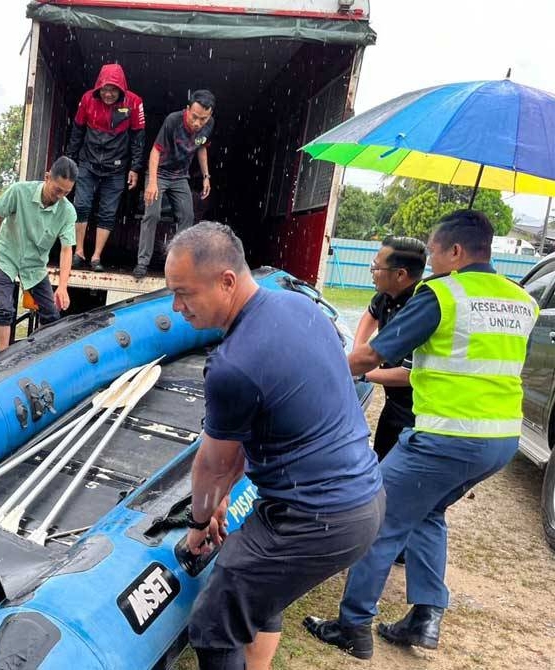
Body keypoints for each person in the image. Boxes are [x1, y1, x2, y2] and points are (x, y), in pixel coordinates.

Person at [304, 210, 538, 660]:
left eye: (432, 252)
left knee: (381, 518)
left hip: (446, 435)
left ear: (454, 251)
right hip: (500, 440)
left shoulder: (442, 295)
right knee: (428, 513)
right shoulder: (520, 299)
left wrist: (315, 372)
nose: (428, 262)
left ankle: (352, 625)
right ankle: (425, 617)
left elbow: (373, 354)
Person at [166, 222, 384, 670]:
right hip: (364, 499)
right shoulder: (300, 308)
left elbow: (213, 465)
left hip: (316, 518)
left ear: (226, 281)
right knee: (258, 580)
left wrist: (199, 524)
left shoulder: (233, 365)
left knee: (214, 621)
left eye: (184, 293)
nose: (176, 306)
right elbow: (276, 415)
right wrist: (228, 494)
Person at [0, 156, 77, 351]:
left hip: (35, 264)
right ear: (47, 177)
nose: (60, 196)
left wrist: (63, 286)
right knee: (5, 310)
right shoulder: (19, 191)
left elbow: (66, 249)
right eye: (57, 190)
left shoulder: (67, 212)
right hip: (7, 255)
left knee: (52, 315)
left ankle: (36, 355)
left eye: (66, 192)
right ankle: (3, 358)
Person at [66, 63, 145, 272]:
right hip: (88, 163)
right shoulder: (87, 100)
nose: (108, 94)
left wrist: (135, 168)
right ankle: (79, 252)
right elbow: (77, 131)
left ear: (121, 89)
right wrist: (69, 161)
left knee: (108, 212)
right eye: (104, 89)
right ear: (98, 87)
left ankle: (96, 257)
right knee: (81, 205)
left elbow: (139, 139)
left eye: (113, 89)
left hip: (117, 167)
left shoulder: (134, 103)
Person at [355, 236, 427, 461]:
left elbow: (409, 375)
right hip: (393, 402)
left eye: (376, 267)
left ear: (400, 274)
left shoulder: (421, 308)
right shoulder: (387, 295)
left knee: (396, 470)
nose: (372, 271)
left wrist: (362, 372)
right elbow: (371, 315)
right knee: (381, 460)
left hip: (418, 411)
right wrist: (359, 350)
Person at [134, 90, 215, 279]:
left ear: (209, 115)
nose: (197, 123)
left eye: (203, 119)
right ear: (187, 109)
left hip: (180, 176)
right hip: (159, 172)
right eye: (194, 117)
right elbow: (155, 151)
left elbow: (202, 147)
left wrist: (206, 176)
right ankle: (142, 263)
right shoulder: (173, 120)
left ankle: (178, 265)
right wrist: (152, 183)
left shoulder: (209, 125)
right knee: (152, 214)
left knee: (187, 215)